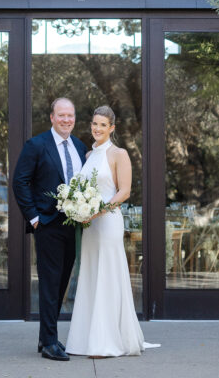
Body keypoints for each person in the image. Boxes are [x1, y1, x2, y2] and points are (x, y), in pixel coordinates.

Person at [65, 105, 159, 358]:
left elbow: (124, 191)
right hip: (89, 226)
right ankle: (86, 340)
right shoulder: (87, 156)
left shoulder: (119, 154)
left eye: (103, 125)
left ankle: (107, 342)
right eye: (94, 124)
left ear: (112, 128)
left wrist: (98, 211)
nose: (97, 129)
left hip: (107, 223)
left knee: (107, 276)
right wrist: (80, 209)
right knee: (91, 276)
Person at [12, 97, 88, 362]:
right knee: (49, 284)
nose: (66, 120)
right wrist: (33, 218)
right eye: (61, 115)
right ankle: (49, 344)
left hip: (73, 226)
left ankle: (48, 337)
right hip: (47, 225)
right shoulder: (36, 145)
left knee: (61, 284)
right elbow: (19, 182)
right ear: (52, 118)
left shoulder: (79, 146)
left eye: (70, 115)